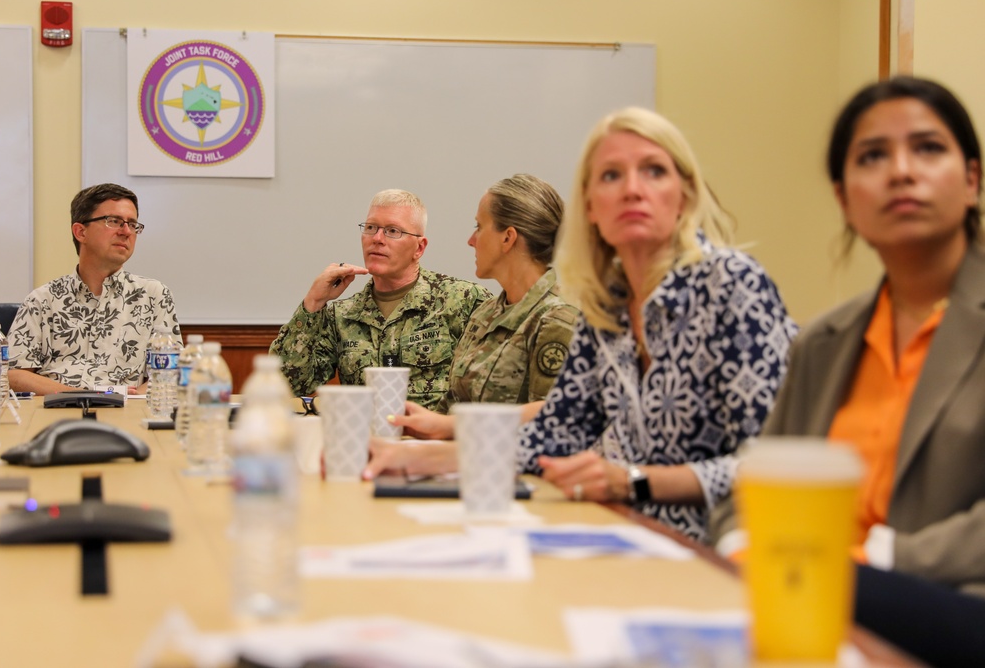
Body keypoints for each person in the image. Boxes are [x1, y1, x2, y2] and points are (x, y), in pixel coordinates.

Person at [367, 108, 797, 542]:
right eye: (611, 176)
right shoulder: (605, 305)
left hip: (716, 547)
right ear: (590, 206)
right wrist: (424, 459)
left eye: (654, 171)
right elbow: (555, 432)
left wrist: (632, 481)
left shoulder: (731, 285)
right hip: (611, 532)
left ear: (683, 194)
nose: (632, 189)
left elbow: (775, 463)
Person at [709, 76, 985, 664]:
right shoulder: (825, 341)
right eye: (873, 156)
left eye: (928, 148)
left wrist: (881, 560)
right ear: (844, 198)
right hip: (818, 608)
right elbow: (758, 482)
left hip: (954, 610)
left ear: (972, 180)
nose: (901, 171)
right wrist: (739, 545)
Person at [386, 174, 579, 440]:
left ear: (507, 238)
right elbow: (451, 408)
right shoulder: (486, 312)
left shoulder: (558, 318)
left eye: (479, 227)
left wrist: (443, 433)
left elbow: (553, 425)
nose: (471, 240)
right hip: (454, 466)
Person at [270, 189, 490, 410]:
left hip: (433, 440)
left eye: (392, 231)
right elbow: (287, 385)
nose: (377, 239)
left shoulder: (463, 301)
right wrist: (313, 303)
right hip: (363, 438)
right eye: (370, 228)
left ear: (419, 248)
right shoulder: (343, 315)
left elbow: (492, 389)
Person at [8, 183, 180, 395]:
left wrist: (138, 398)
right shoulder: (43, 300)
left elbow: (171, 371)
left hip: (127, 413)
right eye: (114, 221)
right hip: (57, 411)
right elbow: (14, 373)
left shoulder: (154, 295)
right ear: (81, 232)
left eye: (132, 224)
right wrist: (78, 396)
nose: (126, 232)